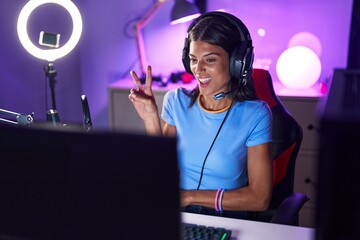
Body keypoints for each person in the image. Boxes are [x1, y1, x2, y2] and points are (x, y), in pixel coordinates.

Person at [128, 11, 273, 219]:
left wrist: (189, 197)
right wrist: (151, 118)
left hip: (227, 219)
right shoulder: (176, 101)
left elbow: (260, 198)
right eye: (193, 60)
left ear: (237, 63)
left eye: (210, 60)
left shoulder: (256, 114)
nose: (198, 69)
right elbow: (163, 175)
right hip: (180, 216)